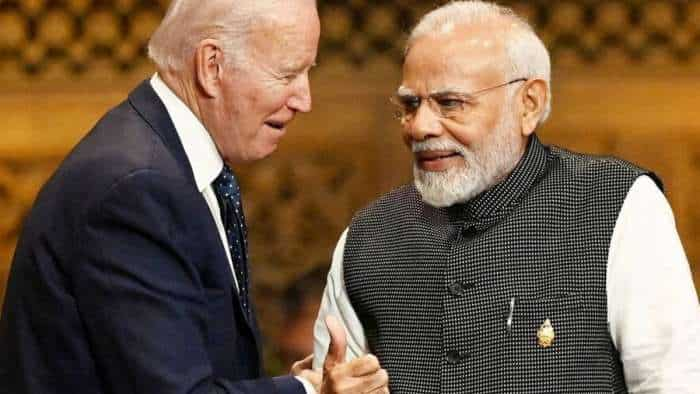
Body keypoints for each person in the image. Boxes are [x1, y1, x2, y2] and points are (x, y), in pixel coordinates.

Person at [0, 1, 389, 393]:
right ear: (211, 66)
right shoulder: (135, 188)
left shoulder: (167, 160)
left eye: (308, 73)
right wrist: (310, 393)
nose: (304, 100)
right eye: (286, 74)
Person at [313, 1, 700, 393]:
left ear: (528, 104)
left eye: (450, 103)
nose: (420, 127)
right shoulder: (368, 239)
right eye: (411, 104)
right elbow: (330, 380)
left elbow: (673, 383)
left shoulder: (616, 206)